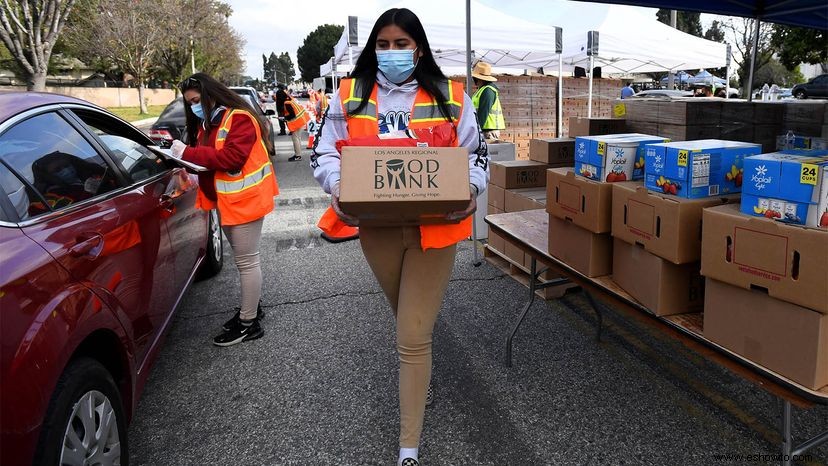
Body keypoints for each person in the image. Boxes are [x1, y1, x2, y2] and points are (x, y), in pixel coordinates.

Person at [310, 8, 488, 466]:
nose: (391, 52)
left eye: (401, 44)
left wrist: (470, 186)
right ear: (373, 49)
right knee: (404, 315)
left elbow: (476, 153)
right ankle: (420, 377)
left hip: (437, 228)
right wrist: (337, 184)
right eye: (383, 44)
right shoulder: (349, 94)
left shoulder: (451, 95)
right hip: (379, 229)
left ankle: (408, 447)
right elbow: (324, 149)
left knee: (411, 333)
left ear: (419, 48)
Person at [170, 72, 279, 347]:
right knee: (245, 260)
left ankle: (248, 323)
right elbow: (210, 159)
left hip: (246, 200)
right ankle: (250, 310)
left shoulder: (239, 118)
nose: (194, 105)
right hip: (230, 201)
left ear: (210, 94)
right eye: (190, 102)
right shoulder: (209, 122)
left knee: (247, 261)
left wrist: (186, 153)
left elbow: (231, 157)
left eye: (196, 100)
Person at [471, 60, 505, 141]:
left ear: (477, 78)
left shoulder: (487, 91)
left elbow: (483, 114)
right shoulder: (482, 89)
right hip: (485, 131)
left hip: (488, 132)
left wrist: (476, 132)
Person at [282, 92, 310, 161]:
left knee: (296, 139)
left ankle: (297, 155)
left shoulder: (287, 103)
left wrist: (285, 118)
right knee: (298, 138)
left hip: (297, 122)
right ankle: (298, 154)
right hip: (302, 120)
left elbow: (292, 115)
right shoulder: (293, 99)